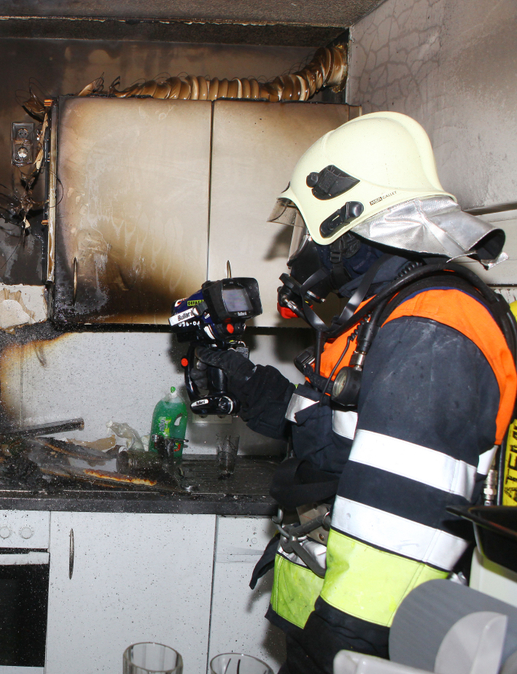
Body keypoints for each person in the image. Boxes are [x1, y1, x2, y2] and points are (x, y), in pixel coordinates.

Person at [196, 112, 517, 674]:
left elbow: (398, 530)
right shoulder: (387, 314)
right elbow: (334, 436)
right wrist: (247, 384)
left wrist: (339, 648)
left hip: (359, 637)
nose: (301, 249)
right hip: (327, 617)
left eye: (307, 229)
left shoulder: (432, 327)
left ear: (346, 222)